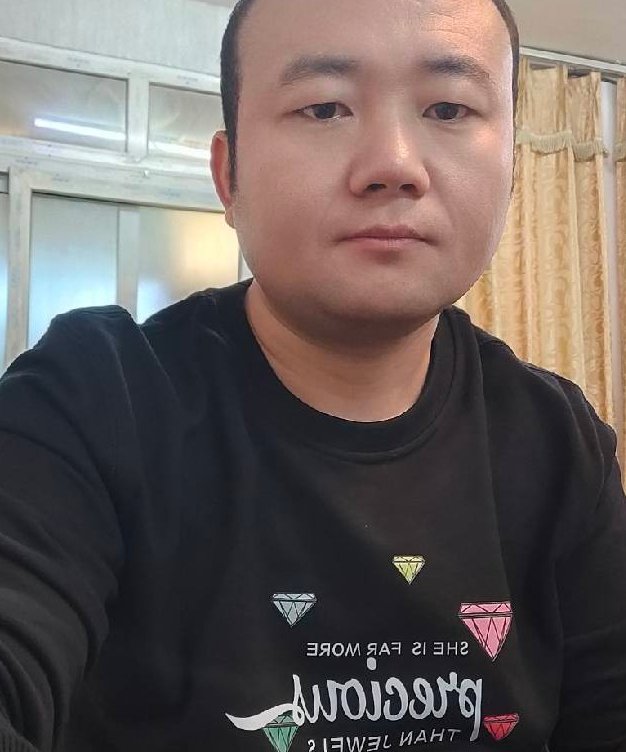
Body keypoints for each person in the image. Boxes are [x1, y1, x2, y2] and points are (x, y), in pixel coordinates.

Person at [0, 0, 624, 750]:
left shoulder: (559, 444)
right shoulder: (93, 401)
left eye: (449, 108)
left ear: (512, 169)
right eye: (325, 108)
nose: (394, 164)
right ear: (229, 177)